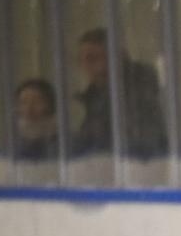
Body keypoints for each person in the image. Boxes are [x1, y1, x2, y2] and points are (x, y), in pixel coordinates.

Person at [70, 27, 167, 160]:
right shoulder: (96, 97)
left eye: (92, 58)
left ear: (117, 57)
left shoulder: (137, 93)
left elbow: (139, 144)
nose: (86, 66)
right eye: (82, 60)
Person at [14, 78, 58, 161]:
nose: (29, 109)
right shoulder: (11, 144)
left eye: (37, 102)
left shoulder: (65, 142)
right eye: (23, 102)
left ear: (50, 105)